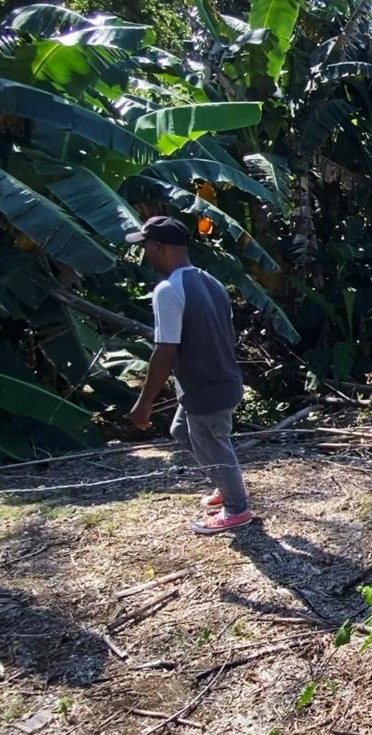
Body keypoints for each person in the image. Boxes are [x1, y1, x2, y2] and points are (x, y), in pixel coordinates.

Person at [125, 216, 254, 535]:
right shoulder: (212, 281)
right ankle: (227, 485)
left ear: (159, 247)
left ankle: (236, 508)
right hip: (221, 380)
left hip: (206, 387)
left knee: (214, 442)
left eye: (146, 247)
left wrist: (144, 403)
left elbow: (164, 353)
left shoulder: (168, 290)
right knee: (182, 430)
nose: (145, 254)